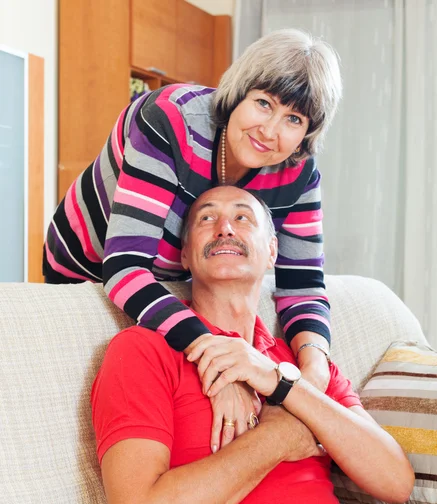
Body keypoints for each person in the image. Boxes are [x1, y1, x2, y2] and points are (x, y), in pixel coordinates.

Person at [92, 186, 437, 504]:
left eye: (242, 218)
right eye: (206, 219)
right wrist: (277, 437)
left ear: (272, 251)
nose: (224, 228)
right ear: (184, 255)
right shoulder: (144, 350)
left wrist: (283, 384)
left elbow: (395, 481)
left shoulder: (303, 364)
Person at [46, 29, 342, 446]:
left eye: (293, 119)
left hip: (177, 276)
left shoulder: (299, 172)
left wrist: (310, 373)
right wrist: (218, 362)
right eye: (263, 104)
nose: (271, 131)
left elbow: (304, 284)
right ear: (238, 93)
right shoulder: (171, 119)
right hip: (90, 268)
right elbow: (125, 269)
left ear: (308, 133)